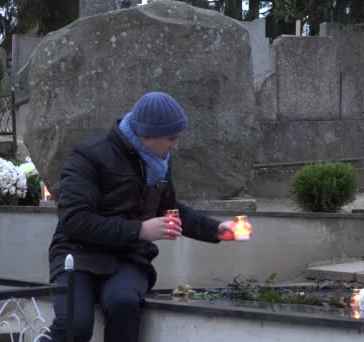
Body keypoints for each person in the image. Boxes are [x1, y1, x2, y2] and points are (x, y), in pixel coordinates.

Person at [46, 92, 237, 341]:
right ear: (146, 134)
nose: (176, 146)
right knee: (76, 325)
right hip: (77, 256)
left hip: (128, 259)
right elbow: (74, 221)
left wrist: (217, 229)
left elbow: (171, 210)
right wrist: (140, 231)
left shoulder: (160, 163)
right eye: (171, 138)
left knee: (123, 304)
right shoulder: (88, 156)